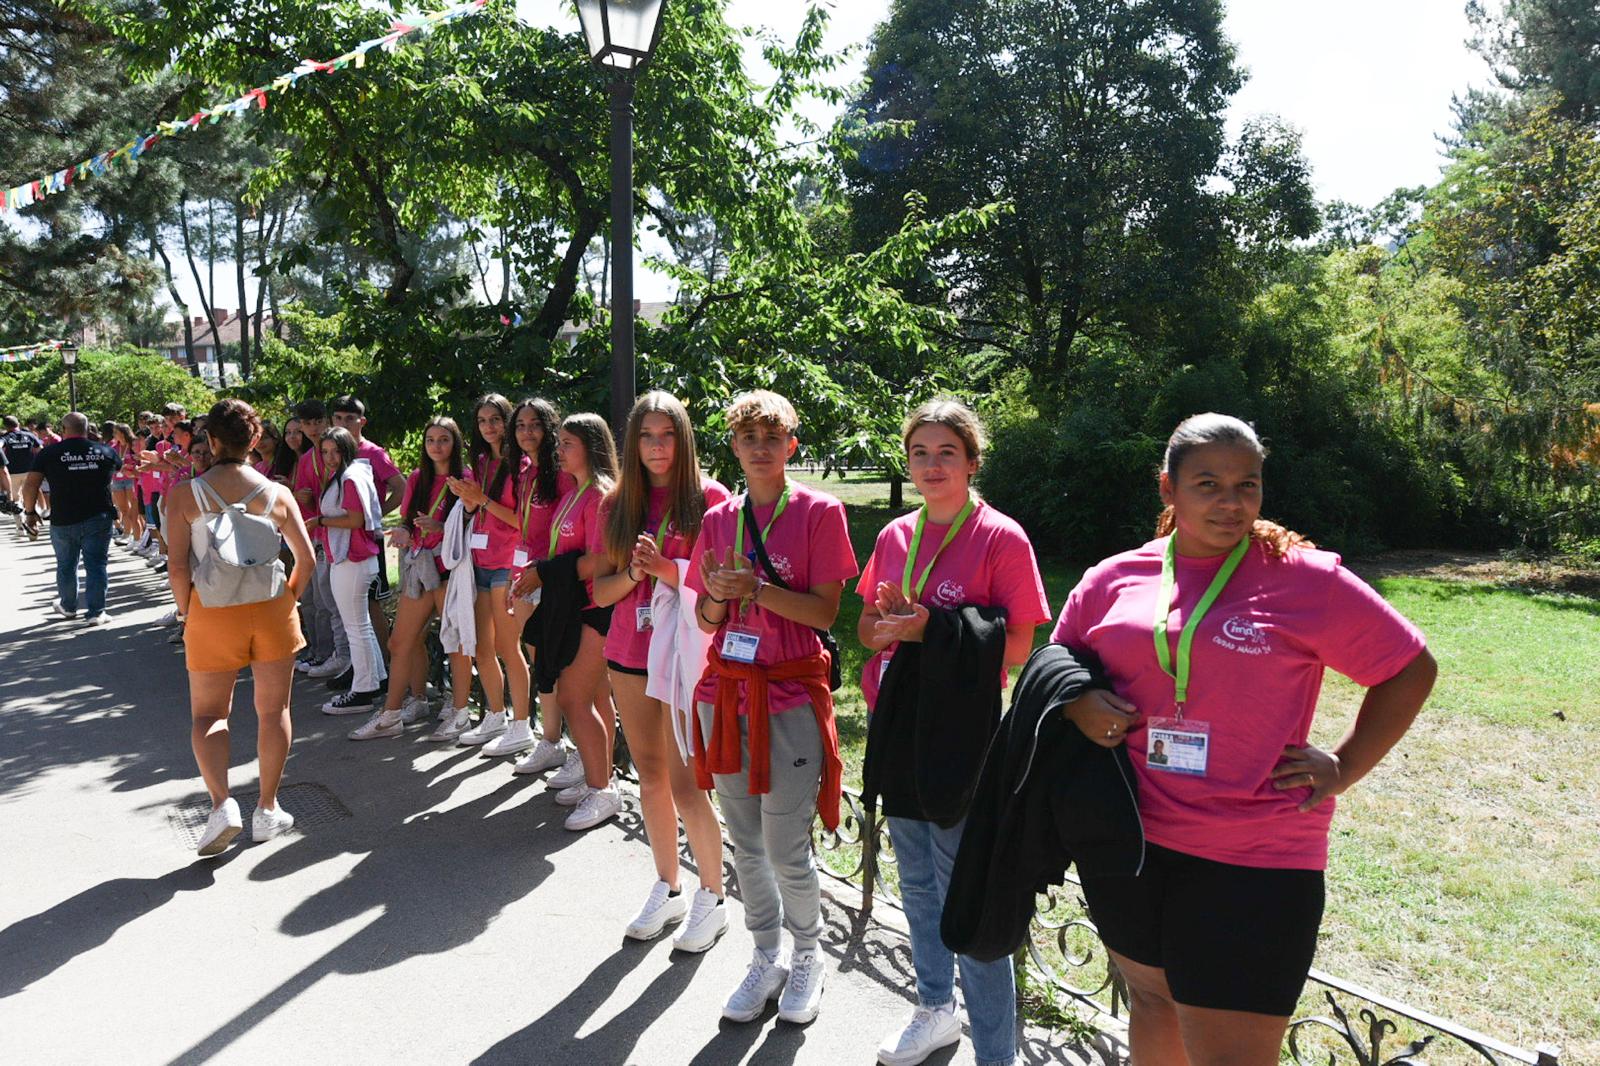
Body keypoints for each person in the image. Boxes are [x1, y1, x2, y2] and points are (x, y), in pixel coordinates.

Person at [1051, 413, 1438, 1065]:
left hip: (1253, 858)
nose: (1230, 503)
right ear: (1168, 490)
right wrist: (1078, 703)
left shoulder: (1304, 579)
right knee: (1152, 1004)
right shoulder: (1115, 577)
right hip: (1130, 843)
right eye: (1208, 483)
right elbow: (1058, 661)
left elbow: (1410, 669)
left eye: (1247, 485)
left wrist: (1341, 765)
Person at [856, 399, 1050, 1066]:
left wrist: (933, 630)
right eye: (920, 453)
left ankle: (998, 1052)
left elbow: (1020, 644)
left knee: (967, 897)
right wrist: (885, 630)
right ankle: (935, 1010)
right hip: (899, 727)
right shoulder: (894, 536)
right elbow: (863, 628)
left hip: (963, 740)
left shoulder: (1001, 537)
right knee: (915, 884)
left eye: (946, 453)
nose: (932, 466)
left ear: (971, 461)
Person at [686, 389, 857, 1026]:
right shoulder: (717, 520)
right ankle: (766, 954)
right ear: (733, 447)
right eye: (748, 438)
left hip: (786, 695)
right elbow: (708, 620)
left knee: (787, 846)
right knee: (746, 842)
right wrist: (714, 596)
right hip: (725, 694)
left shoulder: (819, 512)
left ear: (791, 445)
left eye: (772, 437)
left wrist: (757, 588)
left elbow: (823, 613)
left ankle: (809, 954)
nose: (760, 448)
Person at [592, 391, 731, 947]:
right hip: (628, 652)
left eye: (667, 435)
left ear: (684, 439)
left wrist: (666, 569)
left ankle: (713, 895)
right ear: (632, 443)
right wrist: (635, 573)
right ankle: (668, 886)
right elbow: (602, 592)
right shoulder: (616, 504)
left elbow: (718, 590)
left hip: (683, 657)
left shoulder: (711, 500)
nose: (656, 447)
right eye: (647, 436)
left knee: (687, 781)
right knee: (649, 775)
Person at [165, 399, 314, 855]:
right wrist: (289, 598)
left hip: (212, 611)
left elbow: (176, 565)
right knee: (274, 712)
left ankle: (221, 805)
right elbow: (305, 560)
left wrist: (186, 611)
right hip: (272, 610)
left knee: (209, 715)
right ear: (255, 440)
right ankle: (268, 808)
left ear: (210, 441)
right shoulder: (277, 494)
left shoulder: (186, 495)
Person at [512, 413, 621, 830]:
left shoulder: (602, 497)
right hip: (575, 605)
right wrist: (543, 569)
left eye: (567, 443)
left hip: (596, 608)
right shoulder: (578, 490)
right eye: (559, 443)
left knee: (575, 698)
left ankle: (602, 789)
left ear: (591, 447)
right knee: (588, 698)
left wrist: (546, 571)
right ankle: (600, 776)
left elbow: (603, 561)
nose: (558, 450)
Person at [347, 418, 478, 742]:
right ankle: (391, 714)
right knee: (399, 641)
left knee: (457, 644)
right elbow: (407, 521)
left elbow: (476, 525)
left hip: (450, 570)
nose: (436, 446)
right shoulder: (418, 477)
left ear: (455, 443)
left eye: (444, 439)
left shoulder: (465, 478)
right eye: (430, 439)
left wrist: (442, 527)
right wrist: (404, 532)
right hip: (420, 567)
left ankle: (460, 713)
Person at [448, 394, 531, 748]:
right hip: (478, 561)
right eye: (482, 421)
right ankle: (496, 716)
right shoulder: (480, 462)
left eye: (495, 419)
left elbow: (520, 520)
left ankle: (523, 725)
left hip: (507, 561)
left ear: (508, 421)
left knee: (507, 646)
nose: (488, 427)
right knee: (481, 645)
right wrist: (468, 503)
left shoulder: (523, 465)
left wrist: (480, 500)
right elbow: (479, 510)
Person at [494, 397, 571, 763]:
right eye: (521, 425)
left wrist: (543, 574)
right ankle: (550, 740)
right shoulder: (523, 472)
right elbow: (524, 529)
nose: (527, 432)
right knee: (536, 656)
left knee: (559, 662)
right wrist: (515, 574)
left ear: (550, 428)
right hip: (524, 572)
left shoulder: (562, 473)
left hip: (551, 576)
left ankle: (564, 744)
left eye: (535, 424)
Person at [306, 427, 387, 714]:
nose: (329, 457)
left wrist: (320, 522)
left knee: (357, 627)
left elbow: (355, 520)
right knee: (360, 624)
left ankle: (363, 690)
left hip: (352, 558)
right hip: (354, 558)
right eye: (324, 451)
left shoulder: (350, 478)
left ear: (346, 449)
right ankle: (375, 680)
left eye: (335, 451)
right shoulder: (351, 473)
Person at [23, 413, 120, 624]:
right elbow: (120, 471)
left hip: (63, 519)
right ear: (86, 429)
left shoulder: (49, 453)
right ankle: (96, 612)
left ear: (64, 429)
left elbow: (31, 484)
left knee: (66, 564)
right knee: (96, 564)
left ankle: (68, 606)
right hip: (98, 516)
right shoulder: (105, 451)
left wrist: (30, 512)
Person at [330, 395, 405, 660]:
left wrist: (373, 515)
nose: (343, 423)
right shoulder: (330, 450)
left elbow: (400, 487)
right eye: (338, 418)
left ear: (362, 422)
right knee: (346, 607)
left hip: (366, 542)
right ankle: (359, 663)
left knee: (371, 603)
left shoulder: (373, 453)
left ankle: (385, 662)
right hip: (338, 540)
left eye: (349, 419)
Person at [291, 400, 347, 680]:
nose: (313, 428)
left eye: (317, 422)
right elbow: (300, 493)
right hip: (311, 534)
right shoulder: (304, 460)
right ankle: (320, 650)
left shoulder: (339, 455)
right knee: (311, 598)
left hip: (334, 536)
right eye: (307, 423)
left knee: (329, 600)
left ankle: (337, 655)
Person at [109, 423, 143, 547]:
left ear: (122, 433)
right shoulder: (113, 446)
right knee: (123, 508)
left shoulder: (133, 444)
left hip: (131, 478)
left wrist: (130, 467)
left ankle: (138, 536)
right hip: (117, 479)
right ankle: (127, 533)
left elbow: (140, 460)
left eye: (116, 432)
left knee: (134, 510)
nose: (114, 434)